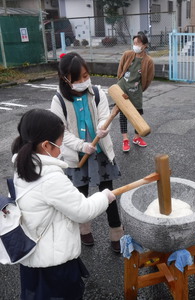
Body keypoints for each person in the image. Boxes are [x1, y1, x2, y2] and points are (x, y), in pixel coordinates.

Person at [12, 109, 116, 299]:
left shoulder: (24, 166)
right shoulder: (50, 177)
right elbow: (83, 211)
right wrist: (105, 196)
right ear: (45, 145)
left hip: (33, 258)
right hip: (54, 263)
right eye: (59, 145)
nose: (61, 151)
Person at [51, 52, 123, 252]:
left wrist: (102, 127)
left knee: (108, 194)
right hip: (76, 157)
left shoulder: (98, 92)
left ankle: (116, 232)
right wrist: (81, 146)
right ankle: (84, 230)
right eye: (78, 78)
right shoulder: (58, 100)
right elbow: (60, 131)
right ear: (66, 79)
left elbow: (103, 116)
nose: (84, 81)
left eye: (85, 76)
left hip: (100, 153)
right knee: (79, 197)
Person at [117, 32, 155, 152]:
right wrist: (120, 85)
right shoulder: (127, 54)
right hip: (123, 87)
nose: (135, 46)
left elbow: (148, 78)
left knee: (137, 114)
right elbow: (120, 69)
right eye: (134, 43)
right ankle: (125, 140)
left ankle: (136, 138)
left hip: (136, 90)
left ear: (145, 45)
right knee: (123, 114)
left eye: (138, 43)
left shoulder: (148, 61)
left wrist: (140, 89)